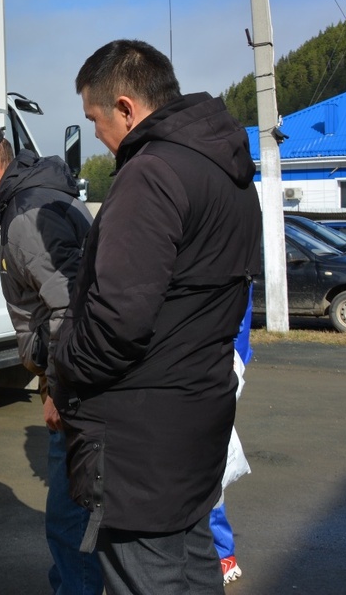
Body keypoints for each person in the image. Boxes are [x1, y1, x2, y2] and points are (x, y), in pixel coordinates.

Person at [52, 39, 263, 595]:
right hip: (199, 415)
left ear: (125, 108)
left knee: (149, 577)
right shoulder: (231, 175)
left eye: (94, 119)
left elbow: (116, 321)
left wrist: (62, 366)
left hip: (141, 437)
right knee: (193, 568)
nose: (97, 134)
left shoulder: (150, 174)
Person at [0, 117, 103, 595]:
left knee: (71, 522)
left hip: (76, 393)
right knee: (78, 519)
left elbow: (70, 311)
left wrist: (58, 390)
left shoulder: (26, 218)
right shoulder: (43, 196)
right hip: (82, 385)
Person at [214, 285, 255, 585]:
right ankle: (219, 553)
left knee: (204, 466)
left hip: (217, 358)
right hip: (216, 356)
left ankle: (221, 553)